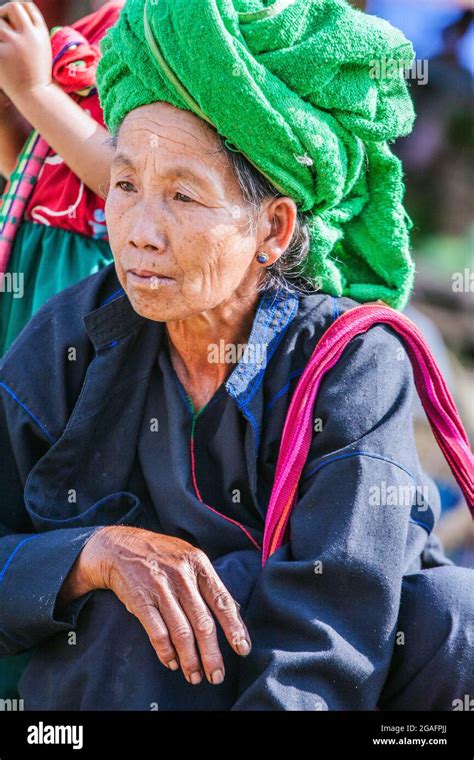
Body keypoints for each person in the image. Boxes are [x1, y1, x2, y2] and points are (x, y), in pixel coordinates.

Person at [0, 0, 472, 711]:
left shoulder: (352, 366)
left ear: (274, 228)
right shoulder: (72, 334)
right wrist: (85, 557)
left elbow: (330, 628)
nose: (140, 233)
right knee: (125, 613)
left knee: (450, 615)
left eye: (184, 196)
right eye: (125, 185)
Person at [0, 0, 124, 356]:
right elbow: (38, 178)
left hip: (91, 282)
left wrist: (34, 90)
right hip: (33, 261)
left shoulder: (172, 35)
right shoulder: (97, 25)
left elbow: (134, 184)